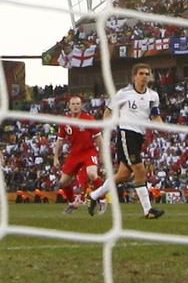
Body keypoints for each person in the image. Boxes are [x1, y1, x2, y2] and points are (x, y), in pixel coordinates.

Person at [85, 63, 164, 219]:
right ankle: (148, 210)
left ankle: (93, 196)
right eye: (141, 73)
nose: (144, 76)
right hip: (126, 134)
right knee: (140, 170)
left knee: (122, 175)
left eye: (147, 74)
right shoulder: (123, 94)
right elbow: (108, 112)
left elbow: (155, 116)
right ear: (134, 76)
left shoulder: (153, 96)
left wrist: (163, 127)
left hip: (139, 136)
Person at [53, 95, 101, 214]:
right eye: (73, 104)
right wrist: (55, 157)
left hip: (88, 151)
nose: (75, 106)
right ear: (69, 106)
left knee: (92, 174)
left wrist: (102, 153)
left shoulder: (88, 119)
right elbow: (60, 140)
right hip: (74, 154)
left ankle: (102, 199)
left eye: (78, 104)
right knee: (63, 182)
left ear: (81, 105)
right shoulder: (65, 121)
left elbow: (98, 137)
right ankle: (72, 202)